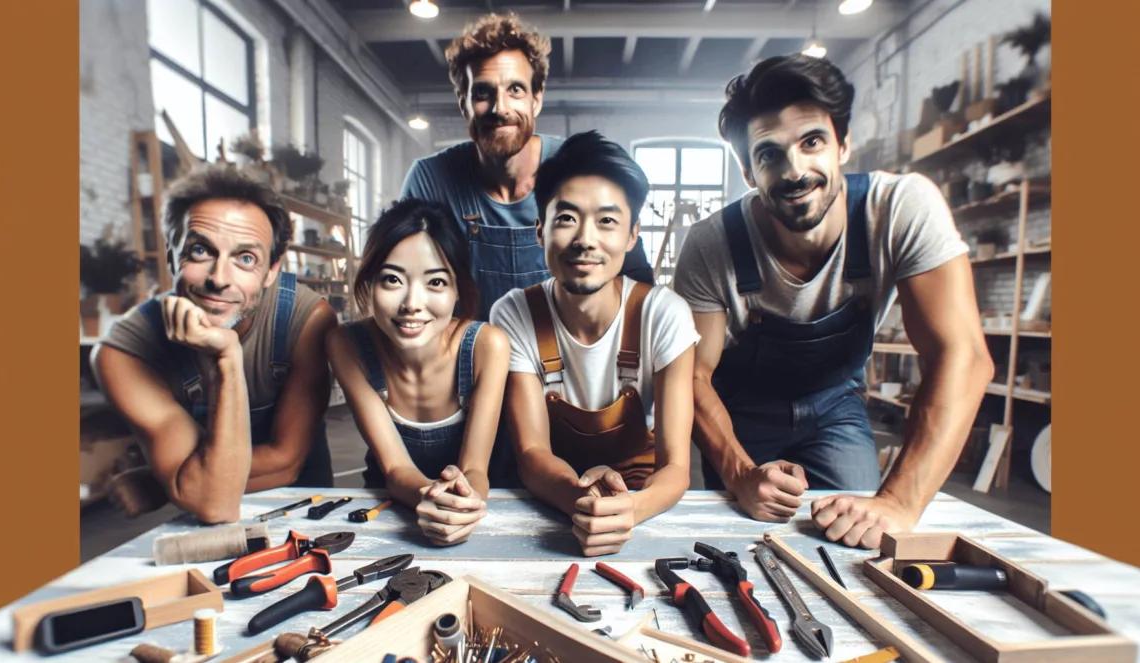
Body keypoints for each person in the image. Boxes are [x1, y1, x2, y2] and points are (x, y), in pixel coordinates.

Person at [674, 54, 994, 549]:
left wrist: (900, 502)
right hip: (744, 410)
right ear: (746, 171)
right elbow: (691, 376)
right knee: (743, 541)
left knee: (862, 535)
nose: (795, 170)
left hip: (835, 404)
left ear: (843, 144)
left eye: (812, 142)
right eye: (769, 154)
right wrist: (738, 474)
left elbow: (963, 356)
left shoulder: (900, 209)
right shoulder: (711, 244)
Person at [490, 131, 698, 557]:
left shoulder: (664, 314)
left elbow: (676, 467)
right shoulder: (514, 313)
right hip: (551, 498)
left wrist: (630, 509)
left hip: (643, 498)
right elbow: (531, 452)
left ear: (632, 235)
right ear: (539, 230)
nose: (586, 239)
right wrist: (579, 500)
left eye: (607, 221)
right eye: (566, 218)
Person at [92, 165, 337, 524]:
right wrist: (225, 358)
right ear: (172, 253)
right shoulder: (123, 354)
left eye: (246, 258)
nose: (219, 279)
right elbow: (212, 501)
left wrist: (163, 484)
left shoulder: (307, 320)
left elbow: (287, 463)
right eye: (200, 251)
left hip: (309, 505)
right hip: (204, 522)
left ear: (271, 270)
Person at [400, 12, 654, 322]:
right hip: (466, 360)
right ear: (462, 101)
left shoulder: (576, 165)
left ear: (537, 99)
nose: (500, 108)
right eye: (482, 92)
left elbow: (636, 277)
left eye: (515, 90)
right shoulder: (430, 181)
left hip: (564, 360)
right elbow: (403, 282)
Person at [325, 198, 509, 546]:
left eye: (436, 283)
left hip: (474, 516)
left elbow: (475, 470)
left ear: (457, 290)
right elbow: (394, 470)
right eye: (392, 280)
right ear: (369, 284)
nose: (412, 303)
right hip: (386, 514)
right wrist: (430, 495)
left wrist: (461, 501)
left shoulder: (487, 346)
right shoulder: (346, 345)